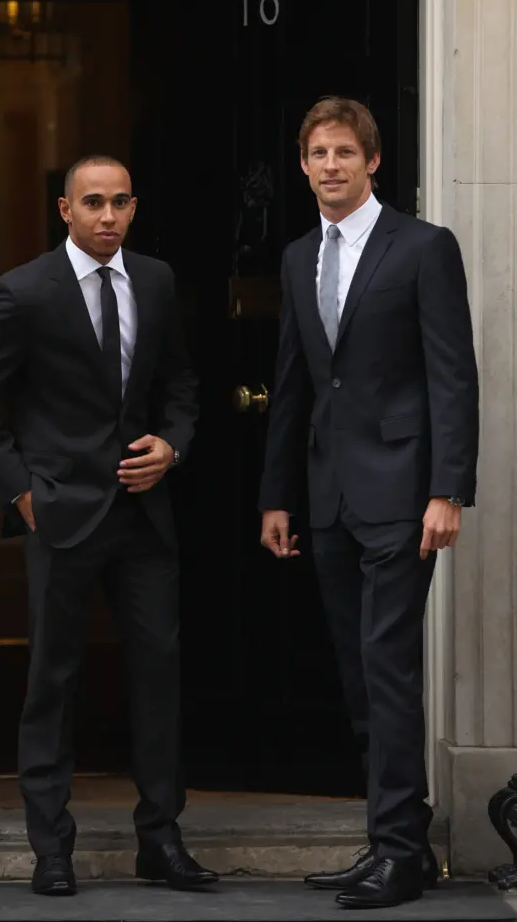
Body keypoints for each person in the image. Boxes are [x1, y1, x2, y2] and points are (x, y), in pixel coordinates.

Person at [0, 155, 217, 896]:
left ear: (134, 208)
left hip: (144, 518)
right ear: (64, 211)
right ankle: (51, 848)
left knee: (159, 679)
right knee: (53, 680)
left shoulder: (158, 282)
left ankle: (161, 841)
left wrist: (172, 444)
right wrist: (20, 492)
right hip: (60, 513)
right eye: (92, 202)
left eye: (120, 202)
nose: (107, 215)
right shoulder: (24, 291)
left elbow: (182, 384)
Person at [259, 98, 478, 910]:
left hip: (402, 494)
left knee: (387, 669)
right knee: (359, 677)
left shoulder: (423, 247)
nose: (330, 165)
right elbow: (294, 386)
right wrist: (276, 494)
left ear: (373, 160)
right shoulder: (295, 257)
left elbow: (453, 375)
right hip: (327, 497)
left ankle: (396, 851)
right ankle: (397, 842)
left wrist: (447, 488)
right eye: (316, 152)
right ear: (304, 162)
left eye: (344, 151)